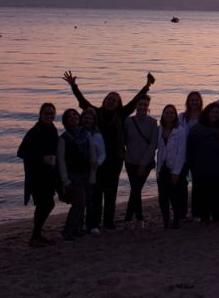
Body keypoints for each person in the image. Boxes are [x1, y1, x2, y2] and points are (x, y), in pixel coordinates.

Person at [62, 71, 154, 230]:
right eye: (109, 99)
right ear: (104, 100)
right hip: (98, 160)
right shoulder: (96, 113)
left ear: (118, 103)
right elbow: (83, 102)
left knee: (111, 192)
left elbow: (134, 101)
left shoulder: (121, 114)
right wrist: (74, 86)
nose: (111, 101)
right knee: (96, 192)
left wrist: (147, 86)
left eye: (114, 100)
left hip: (115, 159)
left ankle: (109, 223)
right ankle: (94, 223)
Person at [17, 103, 59, 247]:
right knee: (45, 204)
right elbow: (21, 152)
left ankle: (36, 235)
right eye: (46, 113)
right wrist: (42, 159)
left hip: (49, 174)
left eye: (52, 113)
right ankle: (35, 236)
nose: (49, 116)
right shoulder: (34, 132)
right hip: (36, 175)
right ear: (40, 115)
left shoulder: (52, 129)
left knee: (46, 204)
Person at [186, 103, 219, 222]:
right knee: (201, 191)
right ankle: (202, 214)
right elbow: (190, 149)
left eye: (217, 112)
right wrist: (191, 165)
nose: (214, 114)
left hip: (218, 165)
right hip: (201, 165)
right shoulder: (196, 129)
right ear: (207, 113)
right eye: (212, 112)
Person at [57, 108, 92, 241]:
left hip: (86, 172)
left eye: (75, 115)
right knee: (79, 204)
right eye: (69, 116)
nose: (73, 117)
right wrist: (65, 180)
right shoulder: (64, 138)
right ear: (65, 121)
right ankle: (68, 231)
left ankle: (78, 229)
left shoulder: (86, 134)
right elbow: (61, 161)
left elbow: (92, 154)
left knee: (83, 202)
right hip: (73, 174)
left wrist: (93, 172)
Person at [124, 96, 158, 224]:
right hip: (130, 161)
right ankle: (138, 215)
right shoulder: (128, 121)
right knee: (135, 188)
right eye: (140, 104)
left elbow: (153, 145)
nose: (142, 107)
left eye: (145, 105)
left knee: (136, 188)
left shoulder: (152, 122)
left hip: (146, 163)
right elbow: (124, 141)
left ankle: (129, 216)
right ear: (136, 106)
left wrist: (143, 164)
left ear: (148, 106)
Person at [156, 104, 187, 229]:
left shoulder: (180, 131)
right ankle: (166, 219)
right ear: (163, 115)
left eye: (172, 113)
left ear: (175, 115)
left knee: (175, 196)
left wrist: (176, 172)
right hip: (162, 167)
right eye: (167, 113)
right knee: (163, 196)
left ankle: (176, 220)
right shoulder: (160, 129)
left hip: (174, 167)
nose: (169, 115)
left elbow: (181, 152)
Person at [81, 108, 106, 235]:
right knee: (81, 199)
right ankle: (79, 224)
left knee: (94, 198)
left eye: (90, 119)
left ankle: (93, 224)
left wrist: (98, 163)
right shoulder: (76, 133)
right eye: (85, 118)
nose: (87, 121)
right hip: (79, 170)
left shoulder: (97, 135)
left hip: (93, 171)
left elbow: (102, 153)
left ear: (94, 120)